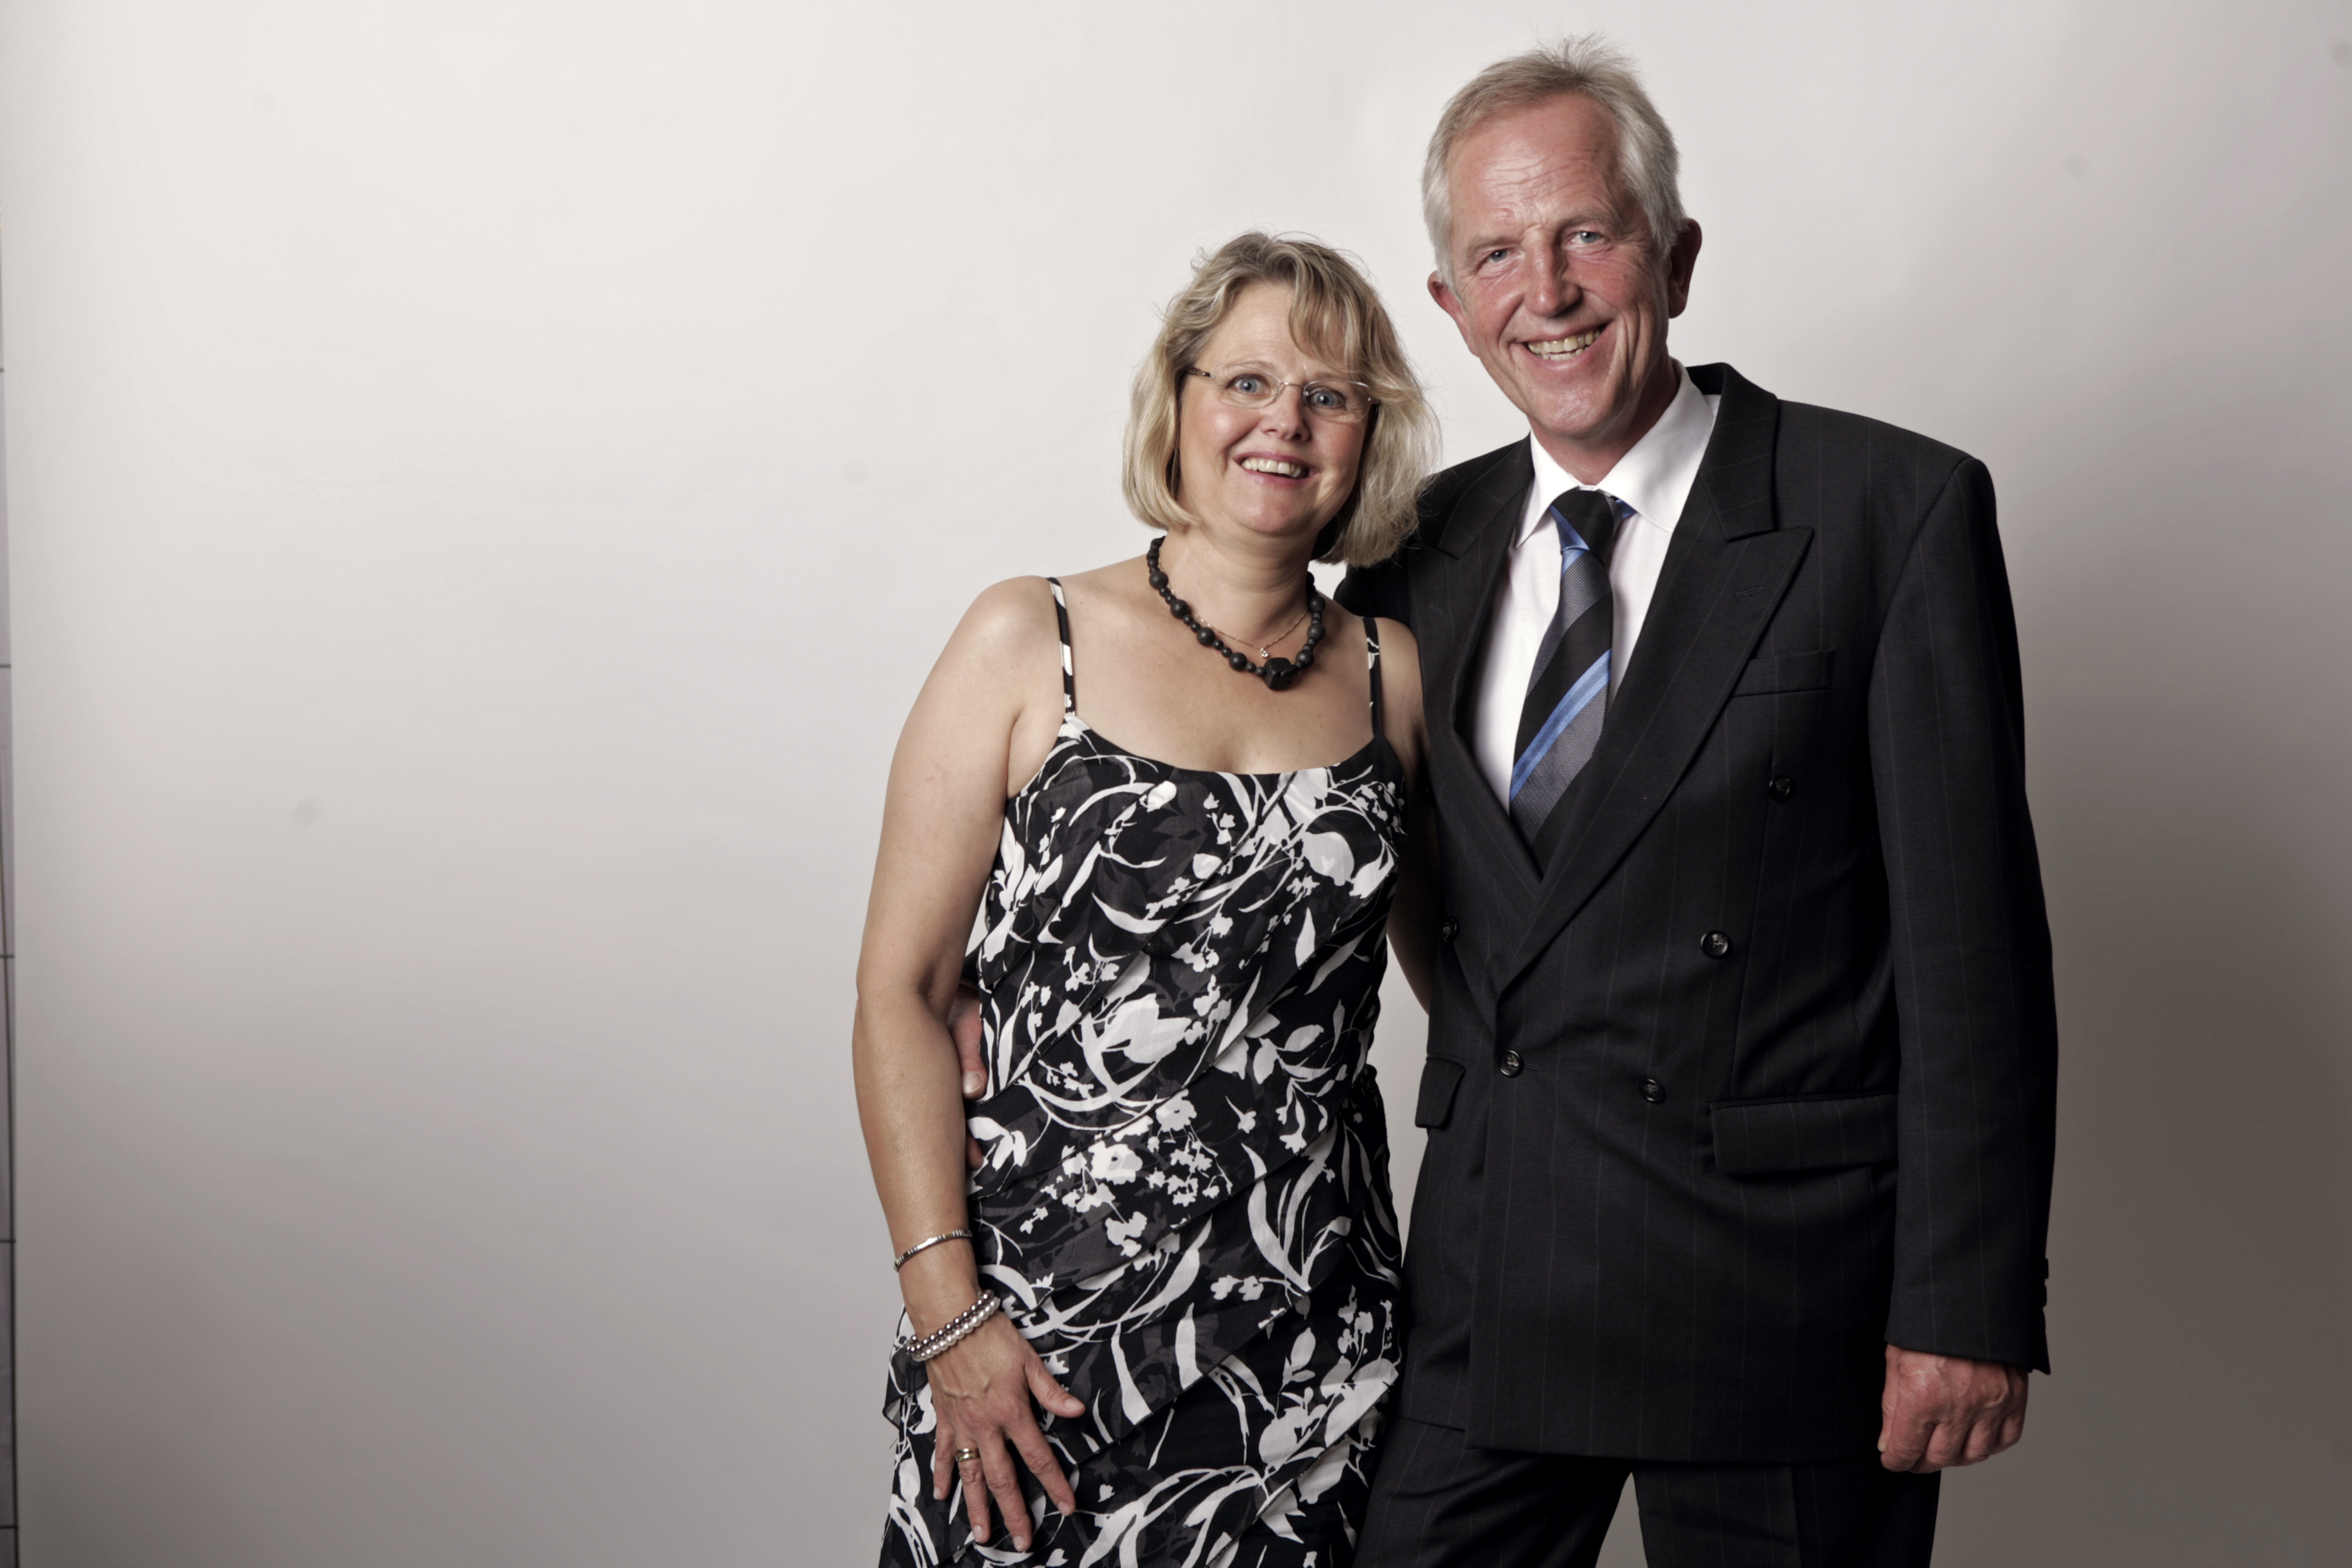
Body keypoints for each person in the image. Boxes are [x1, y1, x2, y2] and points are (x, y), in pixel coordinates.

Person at [1333, 40, 2061, 1567]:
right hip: (1496, 1267)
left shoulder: (1888, 513)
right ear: (1451, 306)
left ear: (1675, 254)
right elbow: (1334, 852)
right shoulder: (1411, 552)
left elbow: (1972, 954)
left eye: (1587, 233)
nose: (1548, 289)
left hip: (1784, 1299)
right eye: (1497, 254)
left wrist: (1966, 1304)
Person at [853, 232, 1440, 1566]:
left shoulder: (1392, 675)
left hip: (1314, 1344)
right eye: (1248, 381)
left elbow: (1473, 984)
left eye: (1330, 395)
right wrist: (950, 1320)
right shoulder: (1027, 638)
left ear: (1368, 436)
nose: (1284, 422)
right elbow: (899, 993)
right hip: (1036, 1340)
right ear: (1177, 399)